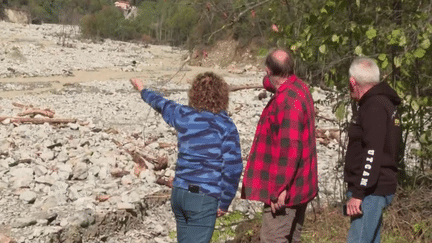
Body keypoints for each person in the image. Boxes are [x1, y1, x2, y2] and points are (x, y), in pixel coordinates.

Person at [130, 72, 243, 243]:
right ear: (222, 95)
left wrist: (142, 89)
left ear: (194, 94)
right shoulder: (225, 125)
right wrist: (225, 202)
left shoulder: (183, 114)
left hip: (180, 193)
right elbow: (233, 168)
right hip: (203, 197)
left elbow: (160, 103)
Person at [241, 48, 318, 243]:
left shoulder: (286, 102)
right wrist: (268, 79)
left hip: (287, 189)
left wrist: (279, 189)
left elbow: (290, 150)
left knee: (272, 238)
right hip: (302, 183)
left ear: (268, 70)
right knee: (292, 238)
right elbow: (270, 82)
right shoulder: (299, 87)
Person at [344, 57, 402, 243]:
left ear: (353, 82)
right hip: (376, 188)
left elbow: (372, 152)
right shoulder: (385, 103)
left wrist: (359, 193)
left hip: (371, 192)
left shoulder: (374, 106)